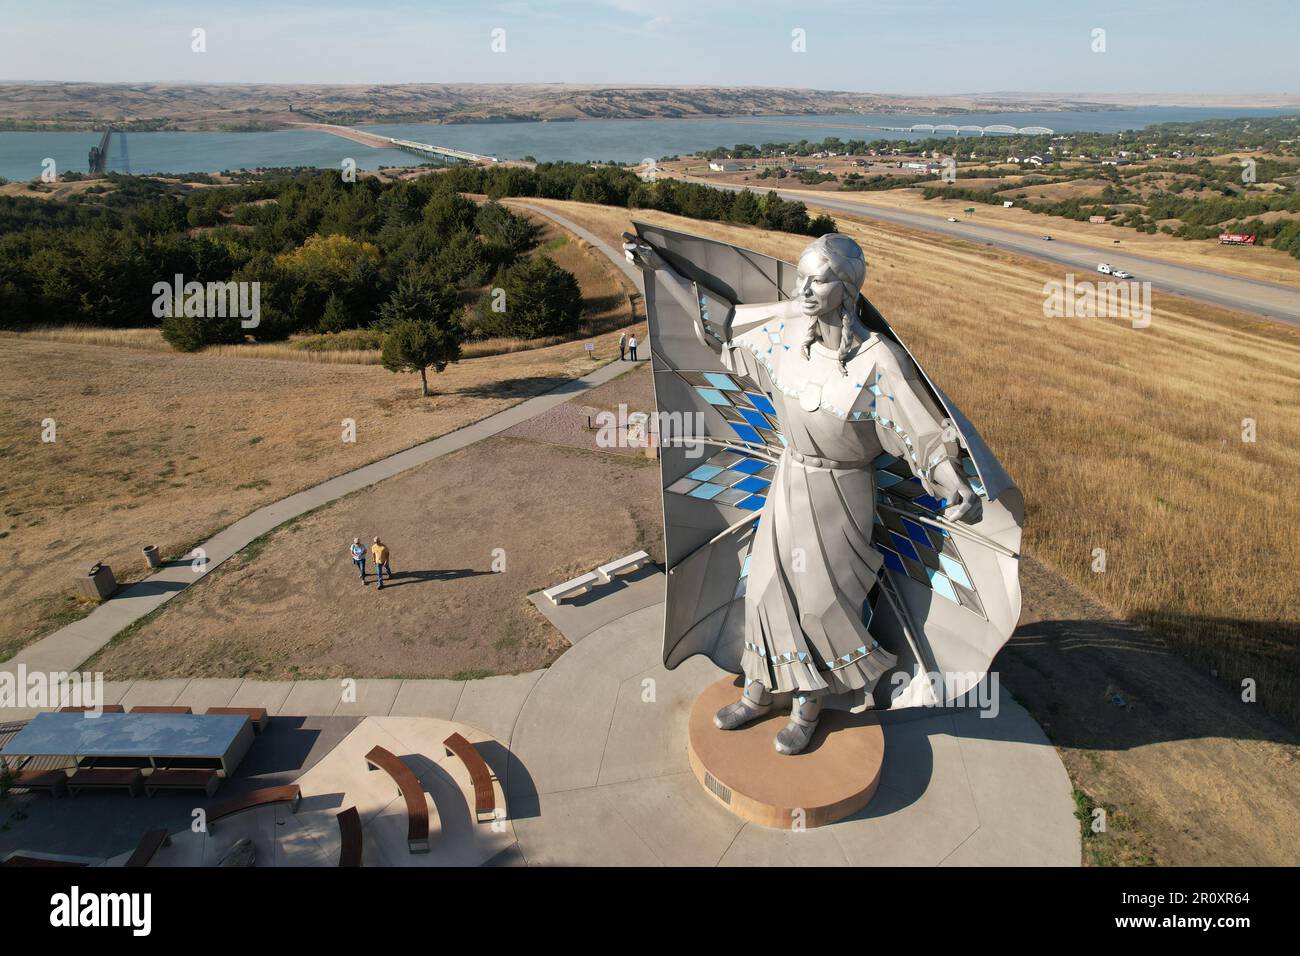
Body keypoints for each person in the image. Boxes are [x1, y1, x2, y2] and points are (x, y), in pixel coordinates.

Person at [625, 232, 983, 755]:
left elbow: (923, 435)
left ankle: (806, 707)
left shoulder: (878, 359)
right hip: (789, 480)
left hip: (842, 493)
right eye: (802, 276)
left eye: (819, 279)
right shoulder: (787, 328)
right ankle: (758, 691)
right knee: (765, 588)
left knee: (821, 601)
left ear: (848, 287)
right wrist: (661, 270)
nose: (806, 288)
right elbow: (720, 323)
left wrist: (956, 485)